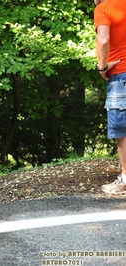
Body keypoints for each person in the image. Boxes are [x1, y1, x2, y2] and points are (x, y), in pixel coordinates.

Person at [94, 0, 126, 194]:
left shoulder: (104, 9)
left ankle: (125, 179)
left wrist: (102, 66)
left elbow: (103, 40)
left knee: (122, 128)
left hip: (121, 74)